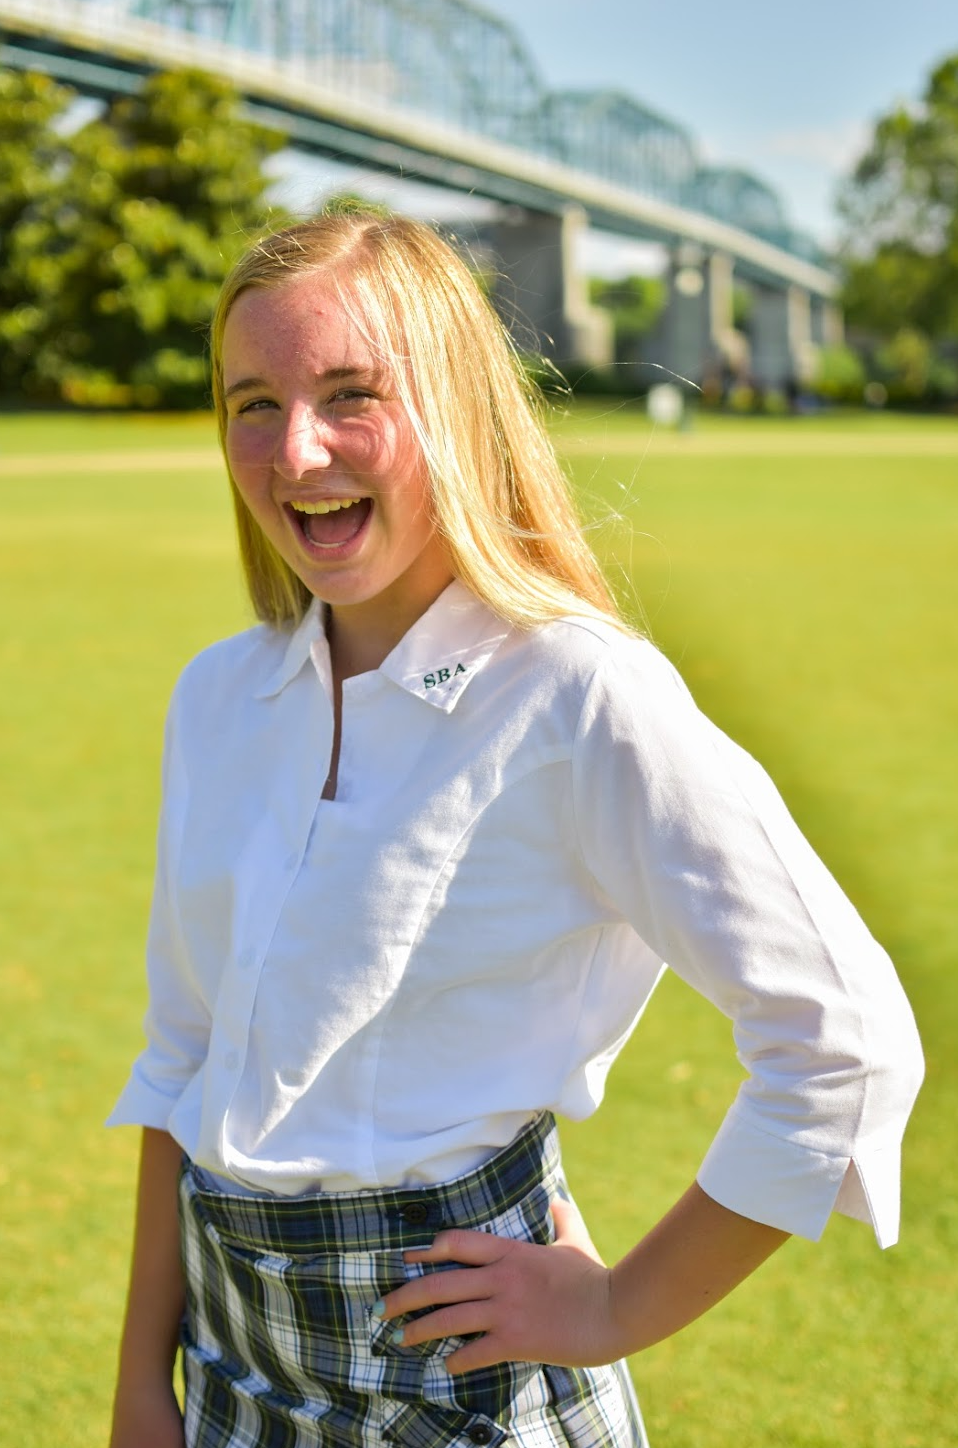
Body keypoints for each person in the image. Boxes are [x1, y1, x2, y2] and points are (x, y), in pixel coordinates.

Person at [107, 205, 923, 1448]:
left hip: (463, 1392)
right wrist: (135, 1392)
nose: (297, 451)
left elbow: (845, 1040)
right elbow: (184, 1058)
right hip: (233, 1371)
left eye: (349, 392)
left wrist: (611, 1306)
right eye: (252, 402)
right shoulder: (216, 696)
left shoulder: (577, 692)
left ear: (457, 403)